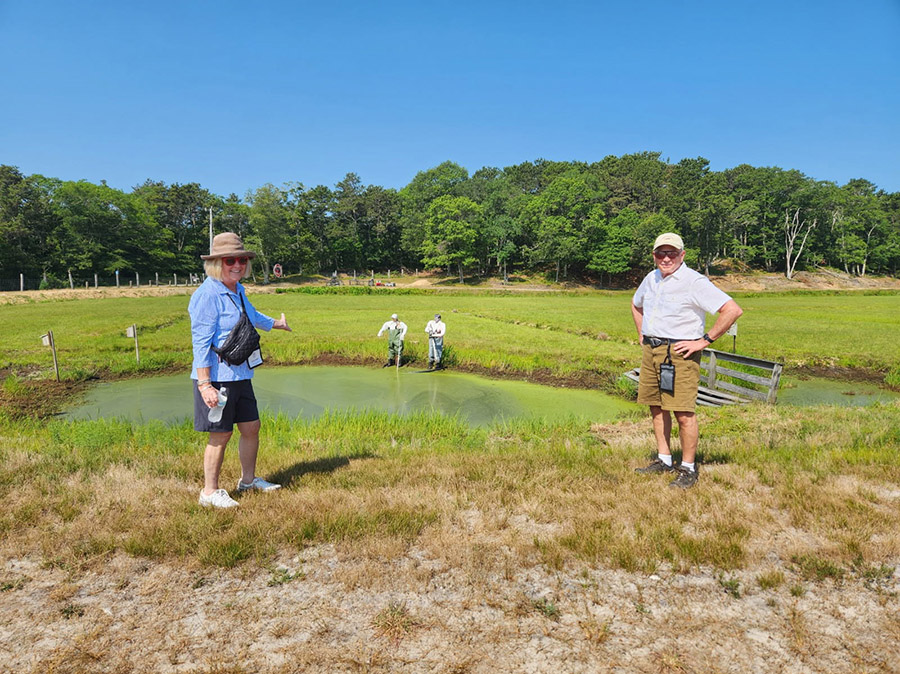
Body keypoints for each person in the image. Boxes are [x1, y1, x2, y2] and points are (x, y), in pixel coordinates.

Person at [631, 233, 743, 489]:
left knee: (683, 413)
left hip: (680, 354)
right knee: (656, 407)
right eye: (661, 253)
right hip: (652, 350)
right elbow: (636, 305)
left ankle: (688, 467)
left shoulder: (694, 281)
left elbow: (732, 310)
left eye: (672, 253)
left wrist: (704, 340)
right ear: (654, 255)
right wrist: (641, 332)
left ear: (682, 255)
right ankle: (664, 459)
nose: (666, 258)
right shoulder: (651, 278)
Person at [189, 232, 292, 508]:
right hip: (217, 378)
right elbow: (200, 342)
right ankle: (209, 493)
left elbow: (252, 316)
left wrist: (276, 324)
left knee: (251, 427)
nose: (237, 265)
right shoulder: (207, 294)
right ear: (216, 263)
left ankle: (248, 480)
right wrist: (204, 384)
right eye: (230, 260)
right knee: (220, 434)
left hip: (241, 373)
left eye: (242, 259)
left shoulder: (238, 289)